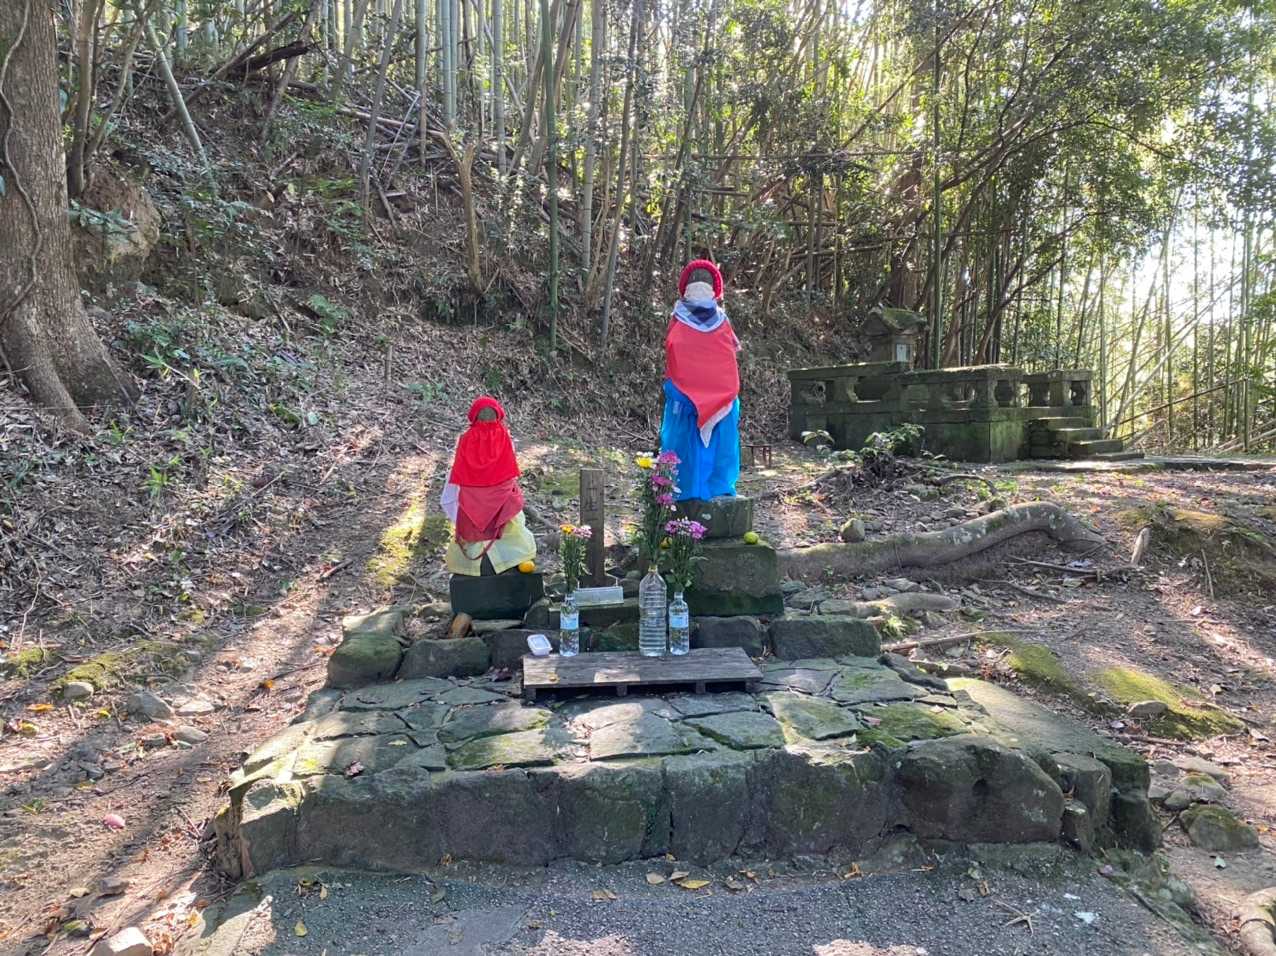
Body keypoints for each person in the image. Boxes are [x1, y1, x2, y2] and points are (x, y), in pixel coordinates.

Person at [660, 259, 740, 501]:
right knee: (722, 441)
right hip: (722, 394)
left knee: (681, 440)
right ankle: (718, 488)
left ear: (685, 289)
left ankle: (679, 490)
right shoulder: (722, 320)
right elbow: (732, 350)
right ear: (714, 290)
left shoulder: (677, 317)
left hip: (684, 393)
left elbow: (673, 350)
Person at [441, 396, 537, 575]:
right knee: (510, 528)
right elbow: (509, 465)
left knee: (473, 529)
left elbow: (459, 467)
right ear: (498, 415)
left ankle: (473, 567)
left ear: (474, 416)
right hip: (502, 494)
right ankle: (511, 560)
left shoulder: (465, 438)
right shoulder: (504, 434)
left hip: (471, 496)